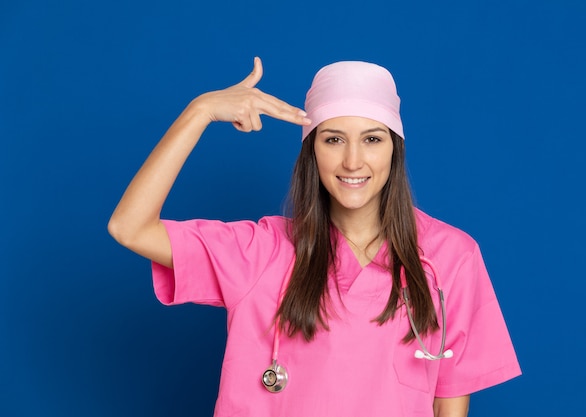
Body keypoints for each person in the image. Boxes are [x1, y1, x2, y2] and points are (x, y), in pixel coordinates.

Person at [108, 57, 521, 417]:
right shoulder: (262, 252)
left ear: (394, 149)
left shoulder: (449, 256)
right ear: (312, 150)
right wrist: (198, 112)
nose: (353, 160)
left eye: (372, 139)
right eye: (333, 139)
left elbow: (449, 403)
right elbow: (129, 227)